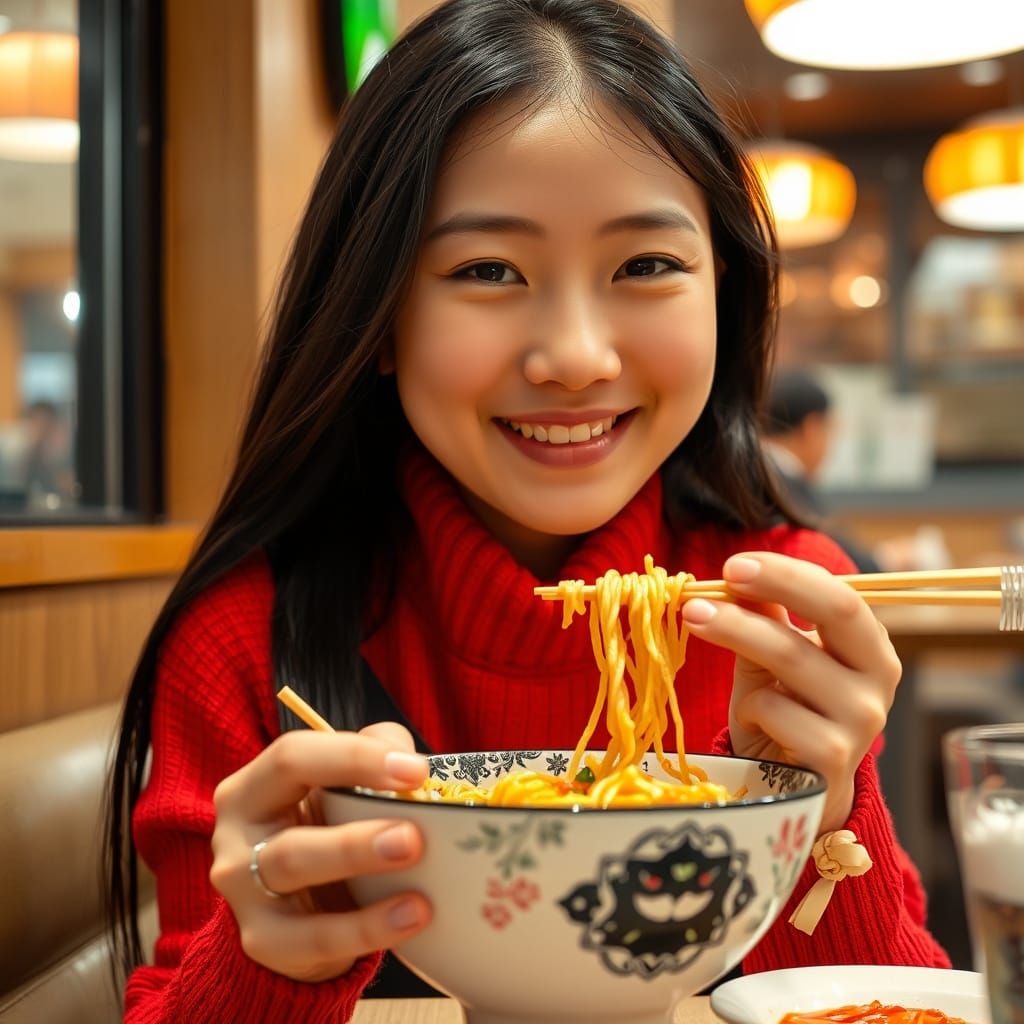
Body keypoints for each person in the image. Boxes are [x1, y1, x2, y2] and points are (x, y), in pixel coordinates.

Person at [104, 2, 949, 1020]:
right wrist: (269, 962)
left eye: (645, 265)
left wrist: (824, 806)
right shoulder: (250, 634)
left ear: (722, 292)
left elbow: (894, 1002)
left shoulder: (779, 604)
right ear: (374, 316)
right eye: (487, 271)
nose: (575, 358)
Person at [762, 369, 881, 573]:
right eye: (831, 430)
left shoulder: (750, 471)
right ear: (812, 427)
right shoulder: (783, 484)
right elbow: (844, 560)